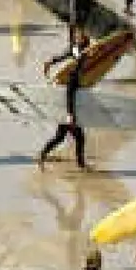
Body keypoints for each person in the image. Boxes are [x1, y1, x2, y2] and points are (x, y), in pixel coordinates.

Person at [35, 30, 92, 168]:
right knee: (78, 137)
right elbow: (69, 92)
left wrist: (50, 62)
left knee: (62, 137)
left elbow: (64, 55)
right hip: (68, 109)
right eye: (84, 37)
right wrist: (70, 114)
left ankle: (42, 156)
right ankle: (81, 165)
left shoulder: (78, 51)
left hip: (66, 107)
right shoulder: (75, 69)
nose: (85, 38)